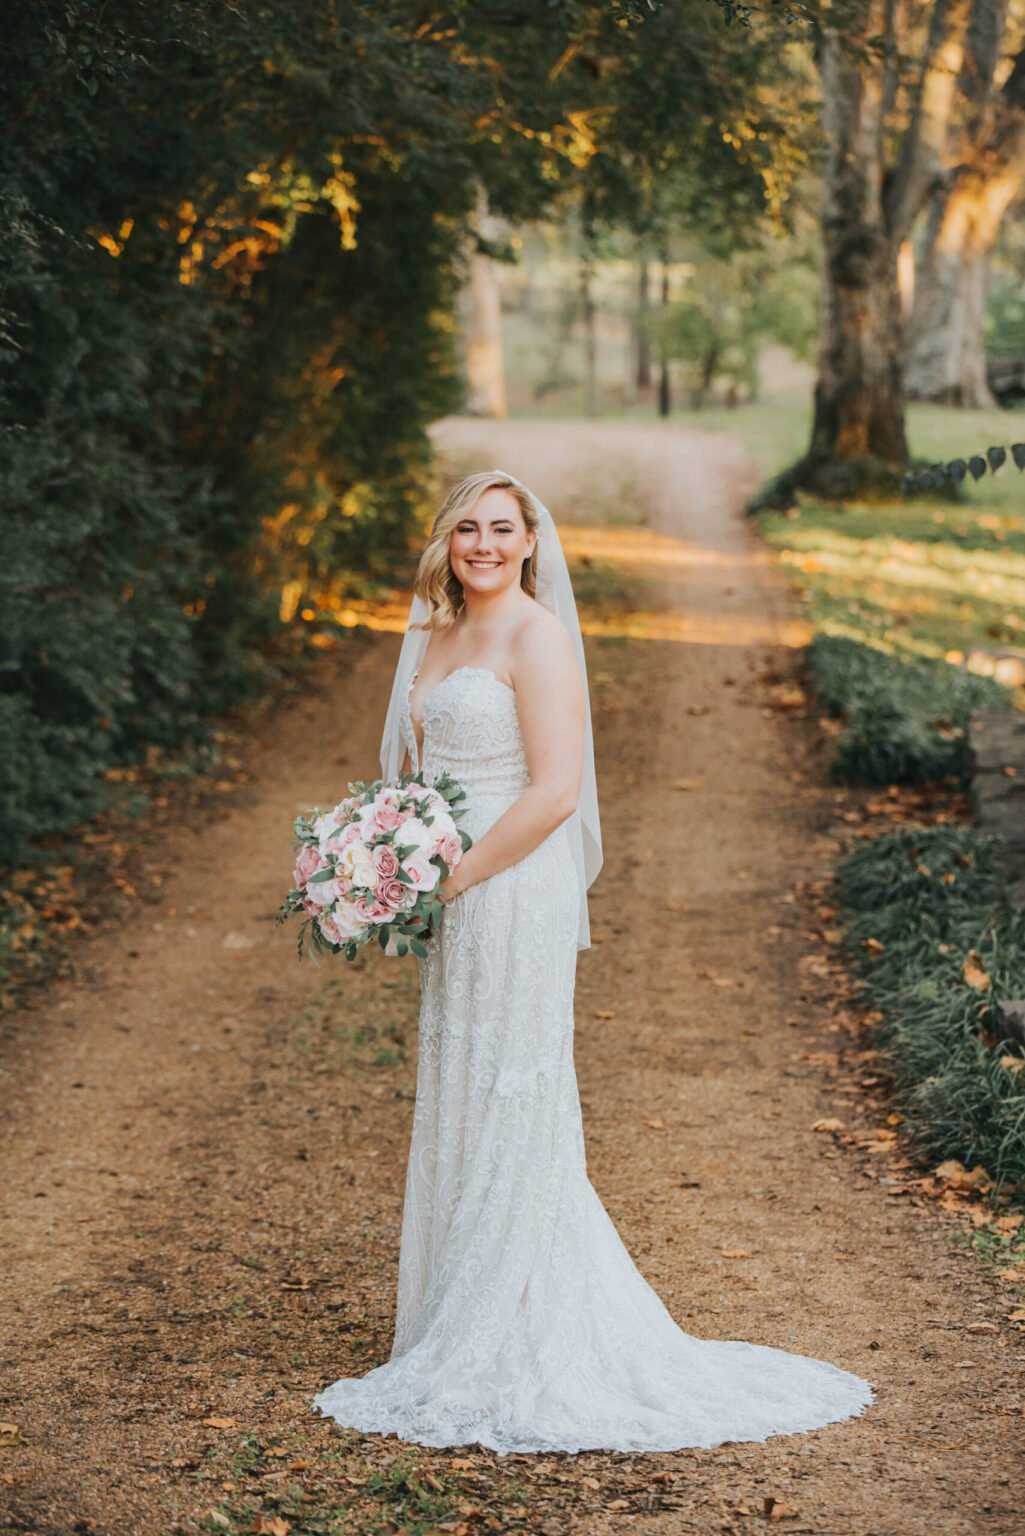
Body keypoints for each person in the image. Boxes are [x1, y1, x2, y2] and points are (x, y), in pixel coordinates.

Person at [312, 469, 876, 1454]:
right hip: (452, 875)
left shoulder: (536, 636)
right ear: (444, 542)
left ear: (530, 542)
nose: (482, 545)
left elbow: (555, 792)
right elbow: (411, 769)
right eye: (465, 530)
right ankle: (458, 1310)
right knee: (462, 1083)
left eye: (500, 529)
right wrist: (385, 852)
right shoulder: (436, 633)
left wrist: (450, 878)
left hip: (509, 882)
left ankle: (521, 1326)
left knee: (512, 1090)